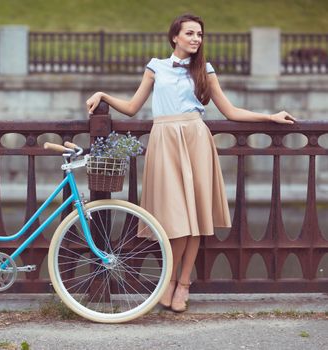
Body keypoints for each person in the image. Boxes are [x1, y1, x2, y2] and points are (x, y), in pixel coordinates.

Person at [85, 13, 295, 313]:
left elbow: (230, 111)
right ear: (175, 37)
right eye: (190, 33)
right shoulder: (155, 67)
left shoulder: (204, 70)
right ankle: (170, 281)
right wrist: (103, 94)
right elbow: (132, 108)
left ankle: (180, 284)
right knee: (176, 220)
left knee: (194, 218)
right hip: (164, 141)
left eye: (200, 34)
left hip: (195, 139)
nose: (196, 38)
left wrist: (269, 117)